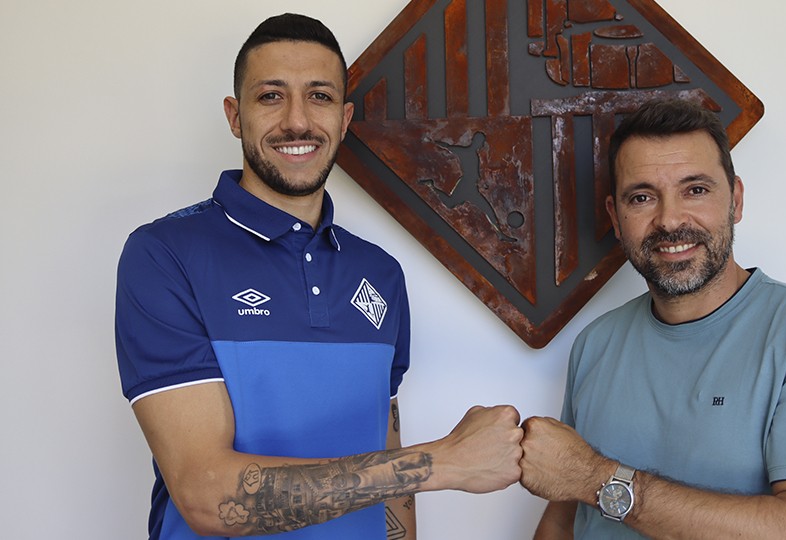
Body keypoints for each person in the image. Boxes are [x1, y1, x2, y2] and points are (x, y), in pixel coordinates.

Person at [115, 13, 522, 540]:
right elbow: (207, 497)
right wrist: (445, 462)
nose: (298, 122)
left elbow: (386, 450)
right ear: (235, 116)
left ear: (345, 116)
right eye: (270, 96)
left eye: (320, 96)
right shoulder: (164, 254)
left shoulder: (380, 273)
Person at [518, 98, 786, 539]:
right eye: (643, 197)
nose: (670, 220)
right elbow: (564, 516)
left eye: (696, 189)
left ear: (736, 200)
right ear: (616, 217)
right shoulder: (596, 342)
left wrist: (597, 479)